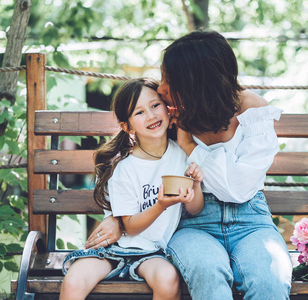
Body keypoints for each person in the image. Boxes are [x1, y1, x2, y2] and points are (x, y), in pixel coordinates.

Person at [86, 29, 292, 299]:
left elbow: (238, 190)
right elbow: (136, 163)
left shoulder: (254, 113)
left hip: (250, 220)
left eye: (169, 80)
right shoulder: (172, 115)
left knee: (269, 280)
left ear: (195, 83)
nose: (161, 89)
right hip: (193, 223)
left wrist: (190, 147)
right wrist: (118, 219)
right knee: (208, 273)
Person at [60, 78, 205, 300]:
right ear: (126, 126)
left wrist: (195, 185)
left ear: (168, 109)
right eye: (139, 112)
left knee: (167, 279)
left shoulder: (183, 155)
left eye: (155, 106)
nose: (151, 115)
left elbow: (195, 208)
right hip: (112, 248)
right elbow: (131, 227)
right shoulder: (124, 167)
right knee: (74, 279)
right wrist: (161, 206)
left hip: (153, 252)